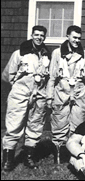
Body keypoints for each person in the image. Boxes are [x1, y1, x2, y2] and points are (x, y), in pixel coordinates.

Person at [1, 25, 51, 171]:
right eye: (36, 35)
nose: (39, 38)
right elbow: (8, 76)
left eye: (42, 35)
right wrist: (18, 89)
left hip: (39, 95)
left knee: (35, 127)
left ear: (44, 37)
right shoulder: (20, 53)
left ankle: (29, 157)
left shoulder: (46, 55)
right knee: (14, 126)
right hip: (20, 93)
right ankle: (8, 161)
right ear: (31, 35)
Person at [46, 25, 85, 164]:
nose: (77, 41)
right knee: (59, 121)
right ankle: (59, 153)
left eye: (79, 38)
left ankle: (72, 152)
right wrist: (49, 96)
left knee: (78, 122)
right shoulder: (57, 53)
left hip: (80, 93)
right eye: (74, 37)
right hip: (62, 93)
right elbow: (51, 77)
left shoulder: (84, 54)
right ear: (67, 36)